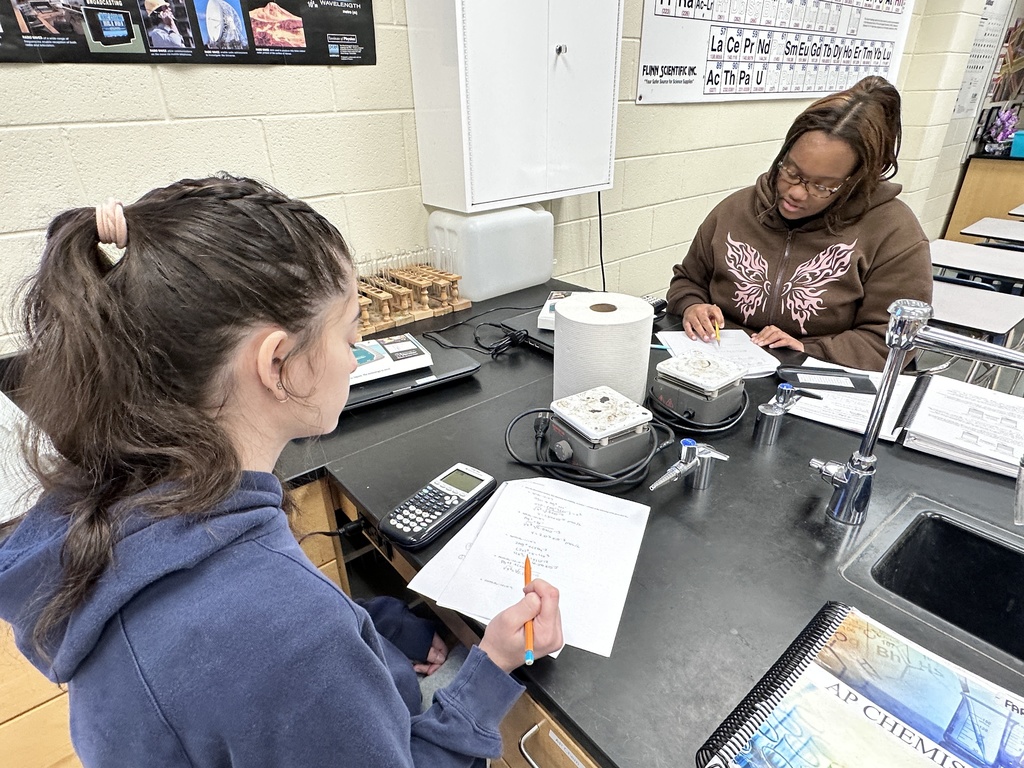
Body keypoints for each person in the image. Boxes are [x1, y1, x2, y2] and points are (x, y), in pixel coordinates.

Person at [0, 175, 563, 767]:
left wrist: (376, 624)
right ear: (276, 363)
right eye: (351, 334)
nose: (354, 356)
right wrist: (493, 668)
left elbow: (242, 650)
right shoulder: (292, 639)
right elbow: (279, 647)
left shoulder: (108, 503)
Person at [666, 76, 932, 371]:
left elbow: (892, 341)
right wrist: (693, 305)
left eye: (822, 186)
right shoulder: (736, 209)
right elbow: (688, 281)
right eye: (791, 171)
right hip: (721, 362)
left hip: (818, 374)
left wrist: (806, 349)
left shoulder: (893, 232)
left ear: (855, 182)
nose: (795, 193)